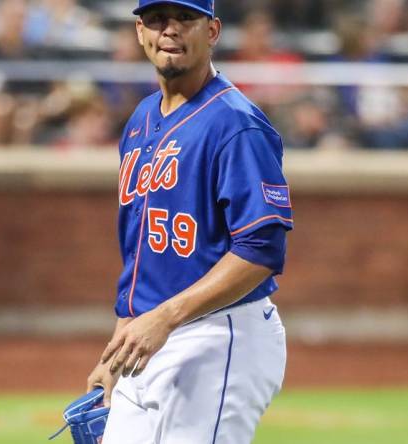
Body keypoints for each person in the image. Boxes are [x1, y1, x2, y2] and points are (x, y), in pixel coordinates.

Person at [85, 1, 293, 442]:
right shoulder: (141, 120)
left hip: (219, 335)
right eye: (158, 20)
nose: (170, 31)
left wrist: (164, 319)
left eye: (185, 19)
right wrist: (117, 346)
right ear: (140, 31)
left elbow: (262, 249)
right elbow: (141, 248)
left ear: (213, 31)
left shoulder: (236, 125)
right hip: (148, 337)